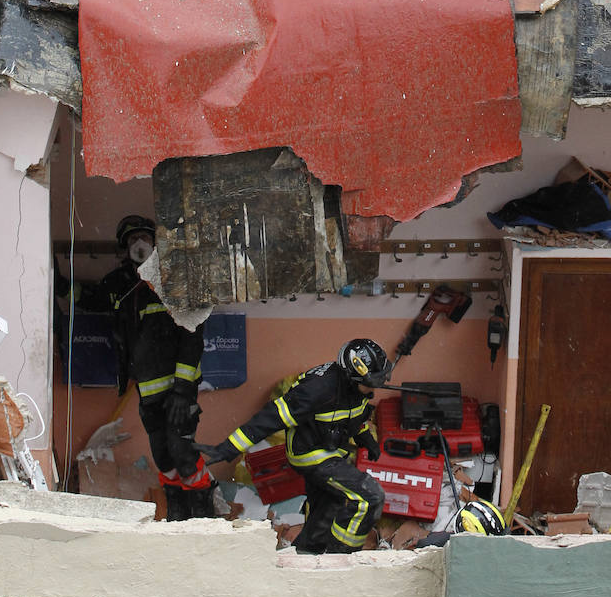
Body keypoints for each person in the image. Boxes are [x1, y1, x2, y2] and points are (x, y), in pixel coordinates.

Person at [196, 338, 390, 553]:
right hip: (310, 453)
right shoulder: (318, 389)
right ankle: (341, 556)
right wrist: (229, 447)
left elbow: (353, 416)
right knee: (368, 496)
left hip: (331, 450)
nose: (374, 388)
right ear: (351, 376)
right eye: (370, 383)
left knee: (327, 506)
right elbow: (271, 418)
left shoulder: (356, 389)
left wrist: (366, 439)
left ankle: (307, 552)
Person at [93, 215, 215, 521]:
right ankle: (177, 511)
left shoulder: (173, 281)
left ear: (155, 240)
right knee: (162, 456)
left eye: (143, 237)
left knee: (183, 453)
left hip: (177, 391)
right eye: (131, 239)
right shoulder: (121, 285)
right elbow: (93, 300)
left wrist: (184, 392)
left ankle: (202, 512)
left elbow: (192, 333)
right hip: (149, 392)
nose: (138, 244)